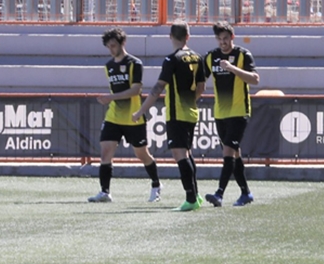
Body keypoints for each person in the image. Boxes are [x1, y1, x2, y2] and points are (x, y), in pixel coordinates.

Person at [134, 21, 207, 212]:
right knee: (187, 153)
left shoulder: (172, 59)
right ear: (188, 36)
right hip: (191, 111)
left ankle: (190, 198)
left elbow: (158, 89)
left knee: (179, 154)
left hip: (177, 113)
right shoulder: (197, 57)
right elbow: (201, 88)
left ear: (170, 36)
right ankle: (195, 195)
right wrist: (190, 100)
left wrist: (141, 111)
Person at [88, 28, 162, 204]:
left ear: (122, 43)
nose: (112, 49)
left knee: (142, 154)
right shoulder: (109, 66)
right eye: (109, 47)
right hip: (113, 117)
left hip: (134, 117)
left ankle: (156, 185)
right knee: (105, 152)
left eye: (114, 45)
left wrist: (110, 97)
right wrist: (111, 99)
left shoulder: (134, 63)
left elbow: (136, 90)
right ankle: (105, 192)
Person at [203, 22, 260, 208]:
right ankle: (246, 193)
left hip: (239, 112)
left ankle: (219, 194)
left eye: (225, 39)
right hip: (220, 113)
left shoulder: (243, 55)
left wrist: (232, 68)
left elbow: (255, 79)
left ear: (232, 37)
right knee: (234, 155)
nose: (223, 42)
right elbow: (200, 78)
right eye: (219, 39)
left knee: (227, 151)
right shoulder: (211, 57)